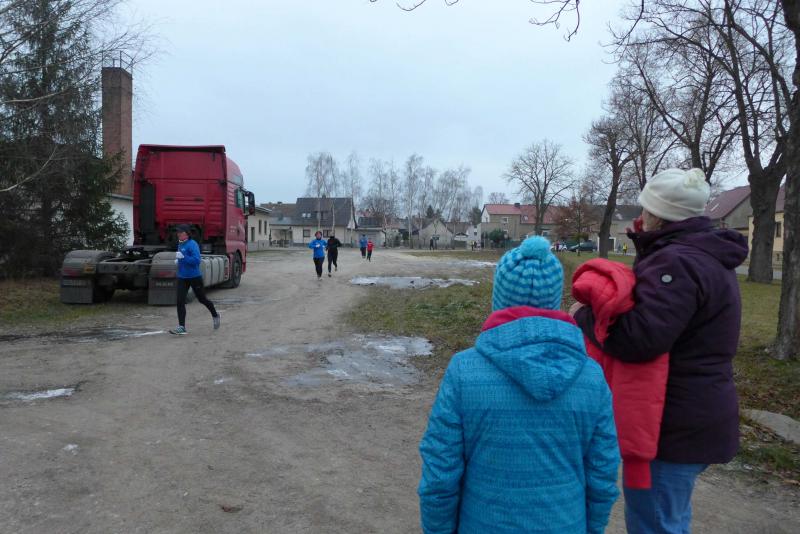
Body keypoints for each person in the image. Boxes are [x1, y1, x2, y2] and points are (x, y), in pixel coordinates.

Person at [572, 168, 748, 534]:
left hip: (674, 420)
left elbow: (639, 339)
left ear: (659, 214)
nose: (641, 215)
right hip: (694, 411)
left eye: (646, 208)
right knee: (669, 519)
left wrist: (585, 316)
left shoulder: (677, 263)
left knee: (655, 523)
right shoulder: (697, 254)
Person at [418, 236, 620, 533]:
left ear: (499, 299)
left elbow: (440, 475)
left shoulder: (464, 371)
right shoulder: (591, 377)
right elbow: (603, 473)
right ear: (555, 300)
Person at [169, 224, 220, 335]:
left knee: (202, 299)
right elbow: (183, 258)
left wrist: (183, 258)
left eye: (181, 232)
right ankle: (182, 327)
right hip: (182, 277)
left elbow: (196, 261)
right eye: (177, 232)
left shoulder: (192, 244)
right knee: (180, 301)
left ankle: (215, 315)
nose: (178, 234)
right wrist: (179, 261)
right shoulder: (180, 243)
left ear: (187, 234)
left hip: (194, 277)